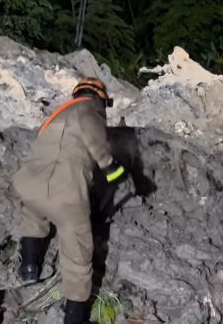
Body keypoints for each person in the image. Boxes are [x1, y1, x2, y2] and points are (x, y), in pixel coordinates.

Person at [12, 77, 134, 323]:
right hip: (65, 194)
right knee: (77, 252)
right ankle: (75, 316)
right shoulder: (90, 112)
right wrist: (119, 173)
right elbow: (100, 150)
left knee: (33, 216)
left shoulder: (56, 115)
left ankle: (28, 269)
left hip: (28, 183)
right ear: (100, 99)